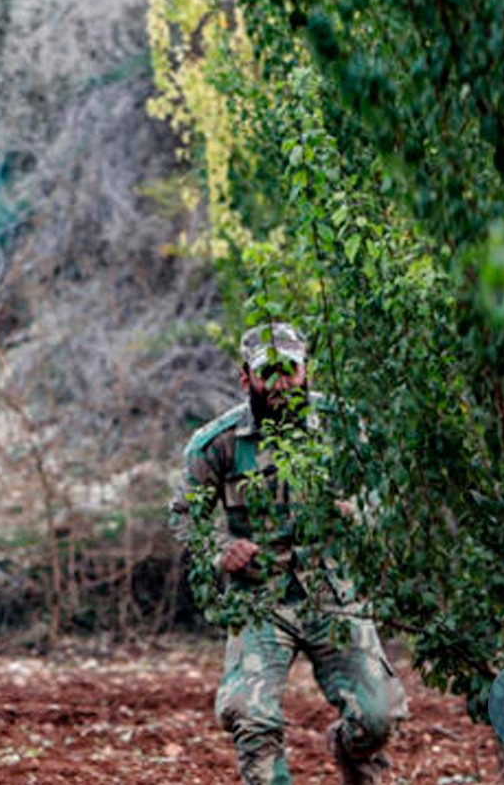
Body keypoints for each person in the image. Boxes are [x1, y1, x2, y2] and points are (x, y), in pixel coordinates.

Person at [170, 322, 408, 785]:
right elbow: (184, 517)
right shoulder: (217, 443)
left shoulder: (346, 428)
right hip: (260, 600)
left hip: (334, 594)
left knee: (377, 719)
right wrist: (220, 549)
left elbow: (389, 495)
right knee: (250, 716)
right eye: (268, 373)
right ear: (247, 379)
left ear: (307, 371)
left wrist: (359, 512)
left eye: (290, 371)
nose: (280, 384)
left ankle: (348, 751)